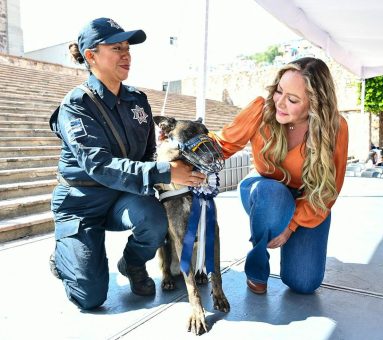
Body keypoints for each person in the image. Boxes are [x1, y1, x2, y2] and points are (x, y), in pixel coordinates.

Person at [48, 17, 205, 310]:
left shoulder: (137, 101)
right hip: (81, 201)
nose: (126, 54)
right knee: (90, 298)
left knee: (154, 219)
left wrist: (176, 161)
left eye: (128, 48)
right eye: (116, 47)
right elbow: (99, 165)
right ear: (91, 56)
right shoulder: (76, 105)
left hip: (121, 195)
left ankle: (131, 264)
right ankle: (65, 257)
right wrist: (166, 171)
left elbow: (147, 154)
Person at [211, 57, 348, 295]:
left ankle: (287, 235)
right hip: (264, 189)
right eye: (279, 91)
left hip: (310, 199)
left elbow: (328, 190)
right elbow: (222, 144)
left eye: (293, 99)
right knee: (273, 195)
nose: (280, 103)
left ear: (314, 105)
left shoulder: (335, 127)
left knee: (304, 283)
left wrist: (291, 226)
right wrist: (184, 143)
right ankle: (257, 264)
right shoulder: (261, 109)